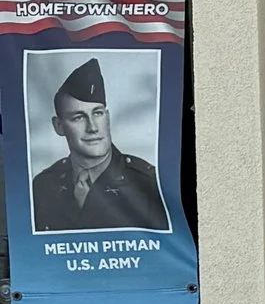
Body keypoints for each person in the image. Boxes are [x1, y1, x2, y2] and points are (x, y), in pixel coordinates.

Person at [28, 58, 170, 231]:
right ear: (59, 126)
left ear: (107, 118)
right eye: (78, 117)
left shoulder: (148, 183)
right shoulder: (43, 186)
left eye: (97, 113)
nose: (92, 127)